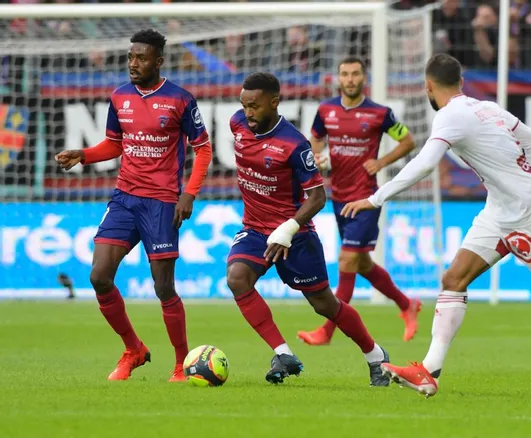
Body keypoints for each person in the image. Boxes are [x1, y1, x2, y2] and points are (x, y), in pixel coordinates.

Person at [342, 53, 531, 401]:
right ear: (460, 83)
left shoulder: (449, 116)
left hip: (527, 212)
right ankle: (429, 371)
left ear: (429, 87)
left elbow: (425, 164)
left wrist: (376, 198)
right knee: (454, 279)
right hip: (499, 210)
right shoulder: (487, 107)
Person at [55, 29, 212, 382]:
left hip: (161, 202)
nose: (133, 64)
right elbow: (114, 144)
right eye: (130, 57)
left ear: (158, 60)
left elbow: (203, 149)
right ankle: (133, 349)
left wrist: (189, 193)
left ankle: (181, 363)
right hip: (125, 198)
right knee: (99, 276)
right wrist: (84, 155)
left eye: (141, 58)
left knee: (163, 287)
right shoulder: (120, 96)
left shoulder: (180, 100)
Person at [226, 71, 390, 386]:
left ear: (274, 102)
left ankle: (375, 355)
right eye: (244, 105)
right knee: (237, 278)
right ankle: (283, 353)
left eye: (255, 106)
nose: (248, 113)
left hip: (295, 237)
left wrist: (289, 226)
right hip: (255, 229)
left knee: (324, 304)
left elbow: (317, 197)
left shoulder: (294, 144)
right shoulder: (238, 123)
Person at [297, 56, 421, 346]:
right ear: (338, 78)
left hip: (366, 198)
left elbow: (408, 141)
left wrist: (382, 162)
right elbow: (315, 138)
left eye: (355, 74)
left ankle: (326, 331)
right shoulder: (326, 110)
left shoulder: (380, 113)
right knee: (362, 263)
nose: (350, 79)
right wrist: (316, 157)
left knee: (347, 259)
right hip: (338, 197)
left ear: (364, 78)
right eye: (345, 74)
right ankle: (407, 305)